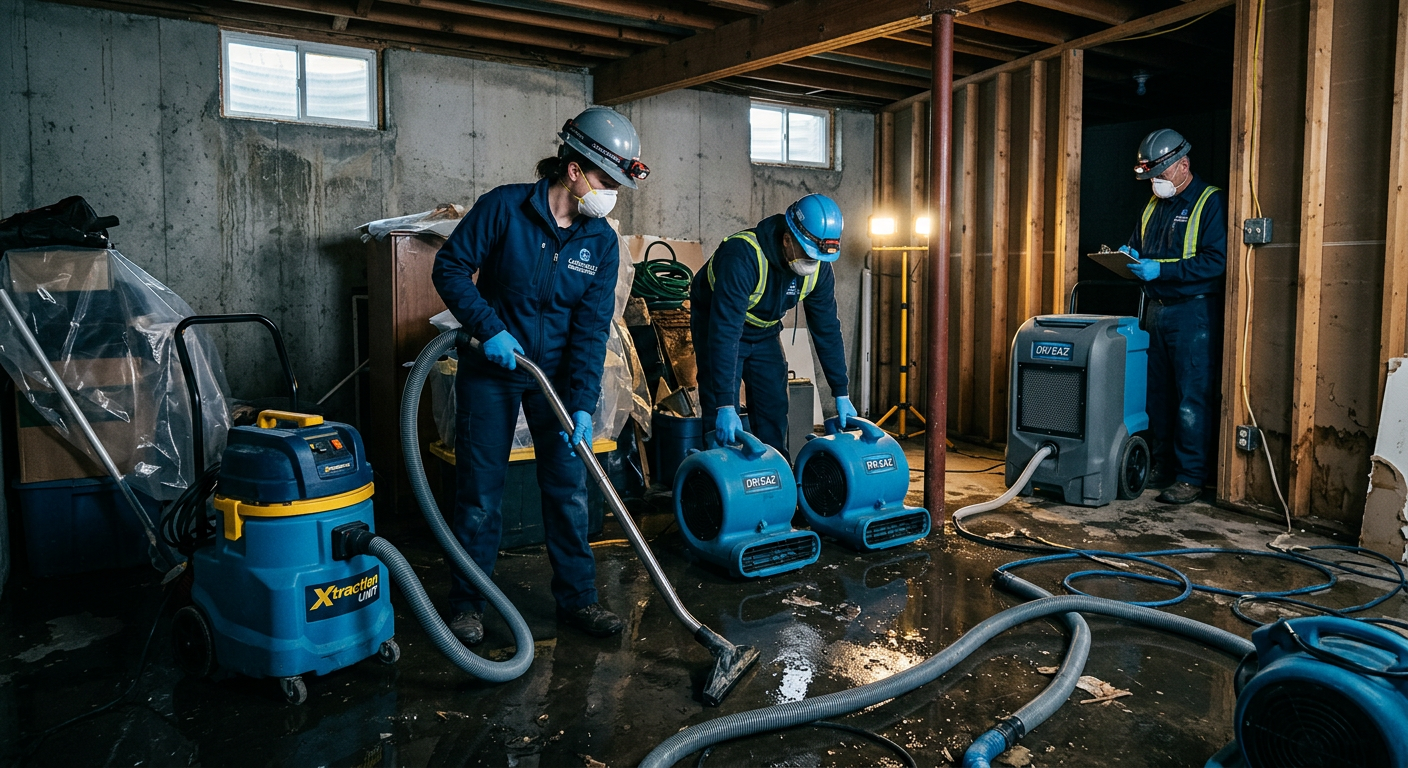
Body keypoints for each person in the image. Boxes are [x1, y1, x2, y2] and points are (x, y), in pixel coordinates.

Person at [432, 106, 649, 645]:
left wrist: (583, 404)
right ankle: (467, 605)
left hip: (555, 378)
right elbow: (450, 268)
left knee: (569, 489)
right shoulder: (505, 208)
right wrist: (488, 328)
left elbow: (592, 329)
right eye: (606, 181)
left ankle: (578, 599)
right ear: (574, 170)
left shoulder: (600, 242)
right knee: (480, 494)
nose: (611, 195)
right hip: (494, 370)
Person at [691, 193, 856, 459]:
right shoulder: (743, 256)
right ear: (787, 239)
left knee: (773, 408)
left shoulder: (819, 270)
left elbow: (827, 329)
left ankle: (774, 475)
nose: (811, 264)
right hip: (717, 323)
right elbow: (725, 331)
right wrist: (724, 405)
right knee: (722, 418)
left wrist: (841, 392)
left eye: (817, 258)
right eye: (807, 254)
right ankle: (720, 471)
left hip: (765, 331)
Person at [1119, 128, 1227, 505]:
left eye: (1161, 174)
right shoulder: (1153, 205)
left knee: (1191, 398)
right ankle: (1162, 466)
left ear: (1184, 165)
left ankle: (1190, 477)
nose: (1156, 183)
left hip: (1193, 313)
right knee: (1156, 395)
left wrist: (1161, 271)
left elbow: (1215, 262)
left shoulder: (1210, 202)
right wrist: (1128, 255)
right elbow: (1137, 245)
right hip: (1156, 311)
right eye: (1152, 176)